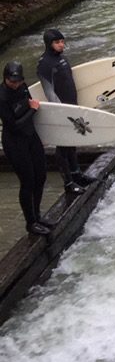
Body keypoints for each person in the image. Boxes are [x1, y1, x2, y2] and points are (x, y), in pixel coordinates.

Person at [37, 28, 94, 196]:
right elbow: (49, 91)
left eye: (62, 41)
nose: (61, 45)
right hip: (62, 109)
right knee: (63, 146)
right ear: (49, 44)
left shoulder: (63, 58)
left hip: (72, 105)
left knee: (72, 142)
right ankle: (68, 183)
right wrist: (61, 111)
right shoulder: (44, 64)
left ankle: (77, 174)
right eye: (57, 42)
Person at [1, 62, 52, 236]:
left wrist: (41, 135)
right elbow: (14, 126)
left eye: (18, 80)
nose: (15, 84)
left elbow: (31, 107)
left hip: (31, 136)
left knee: (41, 176)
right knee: (28, 180)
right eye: (12, 81)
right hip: (14, 142)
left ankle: (37, 215)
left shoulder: (23, 87)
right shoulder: (2, 96)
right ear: (5, 78)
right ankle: (30, 223)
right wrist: (32, 110)